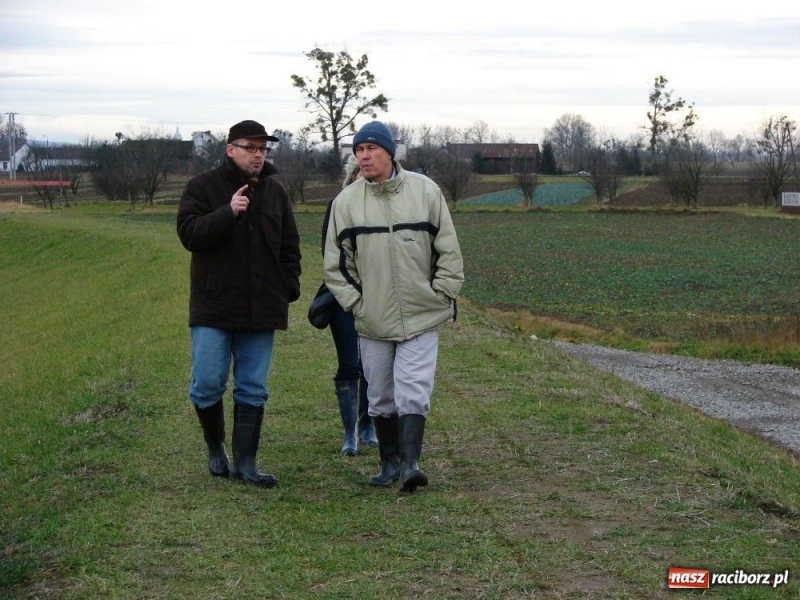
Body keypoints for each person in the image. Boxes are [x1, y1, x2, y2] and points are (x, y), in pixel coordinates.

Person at [323, 121, 464, 492]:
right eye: (358, 150)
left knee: (413, 390)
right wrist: (358, 304)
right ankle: (388, 464)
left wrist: (443, 293)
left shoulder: (425, 191)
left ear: (390, 152)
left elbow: (448, 249)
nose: (364, 156)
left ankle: (410, 465)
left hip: (421, 313)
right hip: (373, 318)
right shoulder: (346, 203)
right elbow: (336, 266)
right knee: (381, 394)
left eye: (371, 148)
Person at [177, 119, 302, 488]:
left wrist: (288, 286)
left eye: (263, 149)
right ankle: (216, 448)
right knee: (207, 383)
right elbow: (189, 235)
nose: (258, 155)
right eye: (251, 147)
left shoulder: (276, 193)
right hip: (214, 307)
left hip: (262, 307)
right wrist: (227, 212)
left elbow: (289, 247)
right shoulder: (201, 187)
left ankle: (246, 464)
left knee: (252, 387)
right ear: (230, 149)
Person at [320, 157, 378, 455]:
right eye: (357, 172)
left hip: (377, 299)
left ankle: (367, 423)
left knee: (372, 364)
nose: (361, 177)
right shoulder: (337, 206)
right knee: (349, 364)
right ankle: (349, 433)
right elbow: (329, 255)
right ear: (351, 176)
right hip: (342, 297)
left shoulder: (383, 209)